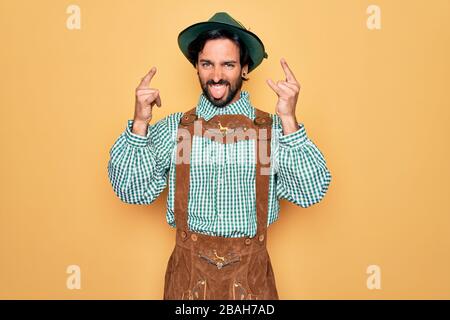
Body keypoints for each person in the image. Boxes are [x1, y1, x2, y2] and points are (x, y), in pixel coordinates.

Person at [107, 12, 332, 300]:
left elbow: (311, 192)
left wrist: (289, 119)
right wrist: (140, 123)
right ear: (197, 68)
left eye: (228, 65)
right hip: (187, 285)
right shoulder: (172, 129)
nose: (216, 76)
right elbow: (130, 191)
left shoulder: (273, 131)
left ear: (245, 67)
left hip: (252, 285)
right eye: (207, 64)